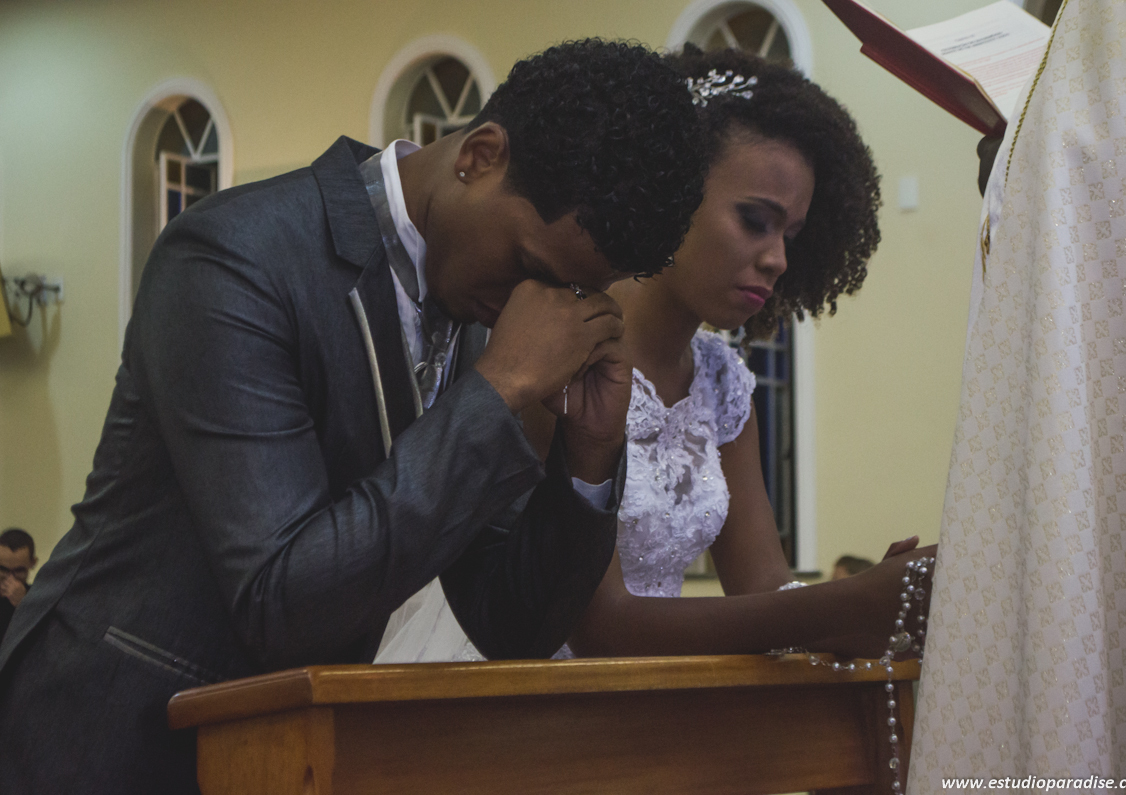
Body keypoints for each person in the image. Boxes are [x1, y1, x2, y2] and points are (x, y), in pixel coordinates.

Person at [0, 39, 708, 794]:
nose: (535, 309)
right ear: (480, 155)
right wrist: (497, 389)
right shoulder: (235, 257)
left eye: (568, 294)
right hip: (107, 741)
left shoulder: (478, 303)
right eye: (532, 268)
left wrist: (589, 457)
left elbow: (510, 622)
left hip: (284, 754)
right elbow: (283, 596)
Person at [375, 47, 936, 665]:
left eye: (790, 235)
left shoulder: (722, 383)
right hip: (517, 693)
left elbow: (765, 590)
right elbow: (600, 626)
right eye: (755, 220)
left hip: (653, 705)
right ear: (674, 198)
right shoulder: (553, 348)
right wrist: (849, 605)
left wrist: (863, 606)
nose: (776, 256)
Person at [0, 528, 36, 640]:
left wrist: (24, 605)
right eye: (3, 569)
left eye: (19, 571)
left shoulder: (39, 598)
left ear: (32, 563)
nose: (10, 578)